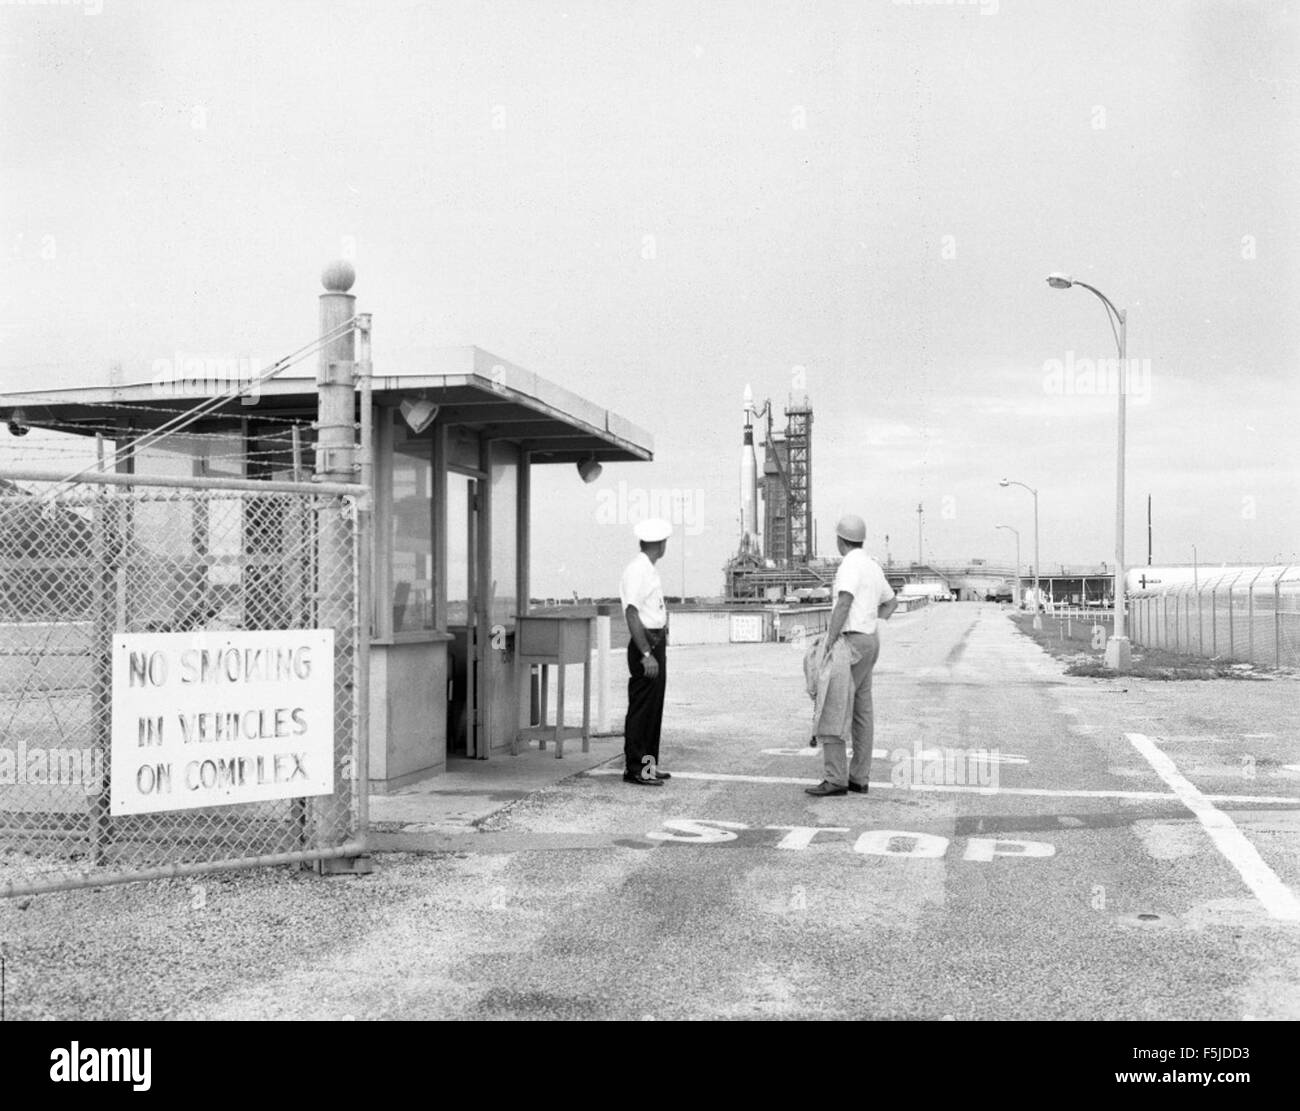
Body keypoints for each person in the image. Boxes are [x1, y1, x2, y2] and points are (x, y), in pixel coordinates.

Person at [805, 513, 898, 797]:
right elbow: (891, 603)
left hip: (850, 642)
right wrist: (870, 618)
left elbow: (843, 603)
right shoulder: (872, 565)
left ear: (839, 540)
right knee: (861, 711)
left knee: (833, 705)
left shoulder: (848, 565)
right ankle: (860, 777)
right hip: (870, 641)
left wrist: (828, 645)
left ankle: (835, 779)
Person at [620, 517, 673, 786]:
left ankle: (649, 767)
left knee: (653, 710)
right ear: (660, 544)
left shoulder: (648, 569)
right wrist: (645, 653)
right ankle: (635, 768)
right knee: (643, 710)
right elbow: (631, 613)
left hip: (655, 643)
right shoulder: (638, 569)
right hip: (647, 646)